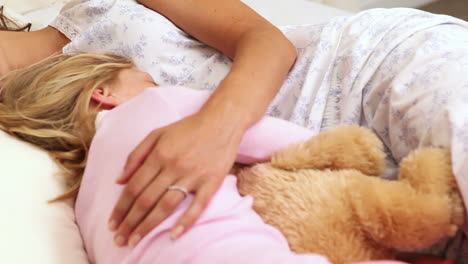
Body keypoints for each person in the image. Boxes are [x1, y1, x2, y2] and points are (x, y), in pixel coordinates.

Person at [1, 1, 468, 260]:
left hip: (361, 73)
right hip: (327, 190)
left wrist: (214, 128)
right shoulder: (33, 119)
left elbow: (269, 43)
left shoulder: (97, 6)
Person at [0, 52, 328, 263]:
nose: (160, 85)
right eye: (149, 80)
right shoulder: (157, 105)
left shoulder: (83, 202)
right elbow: (304, 146)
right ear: (102, 92)